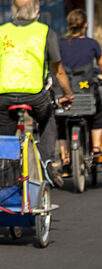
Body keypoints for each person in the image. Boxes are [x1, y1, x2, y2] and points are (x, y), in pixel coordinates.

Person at [0, 0, 74, 187]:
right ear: (37, 10)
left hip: (4, 95)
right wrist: (67, 93)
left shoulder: (2, 31)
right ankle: (47, 161)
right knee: (47, 119)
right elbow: (58, 70)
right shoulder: (45, 32)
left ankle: (5, 171)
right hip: (35, 95)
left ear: (12, 10)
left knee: (5, 135)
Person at [57, 9, 102, 160]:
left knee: (60, 119)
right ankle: (96, 145)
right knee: (97, 112)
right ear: (86, 25)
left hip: (64, 91)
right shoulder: (92, 44)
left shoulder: (59, 43)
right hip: (84, 89)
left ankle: (64, 154)